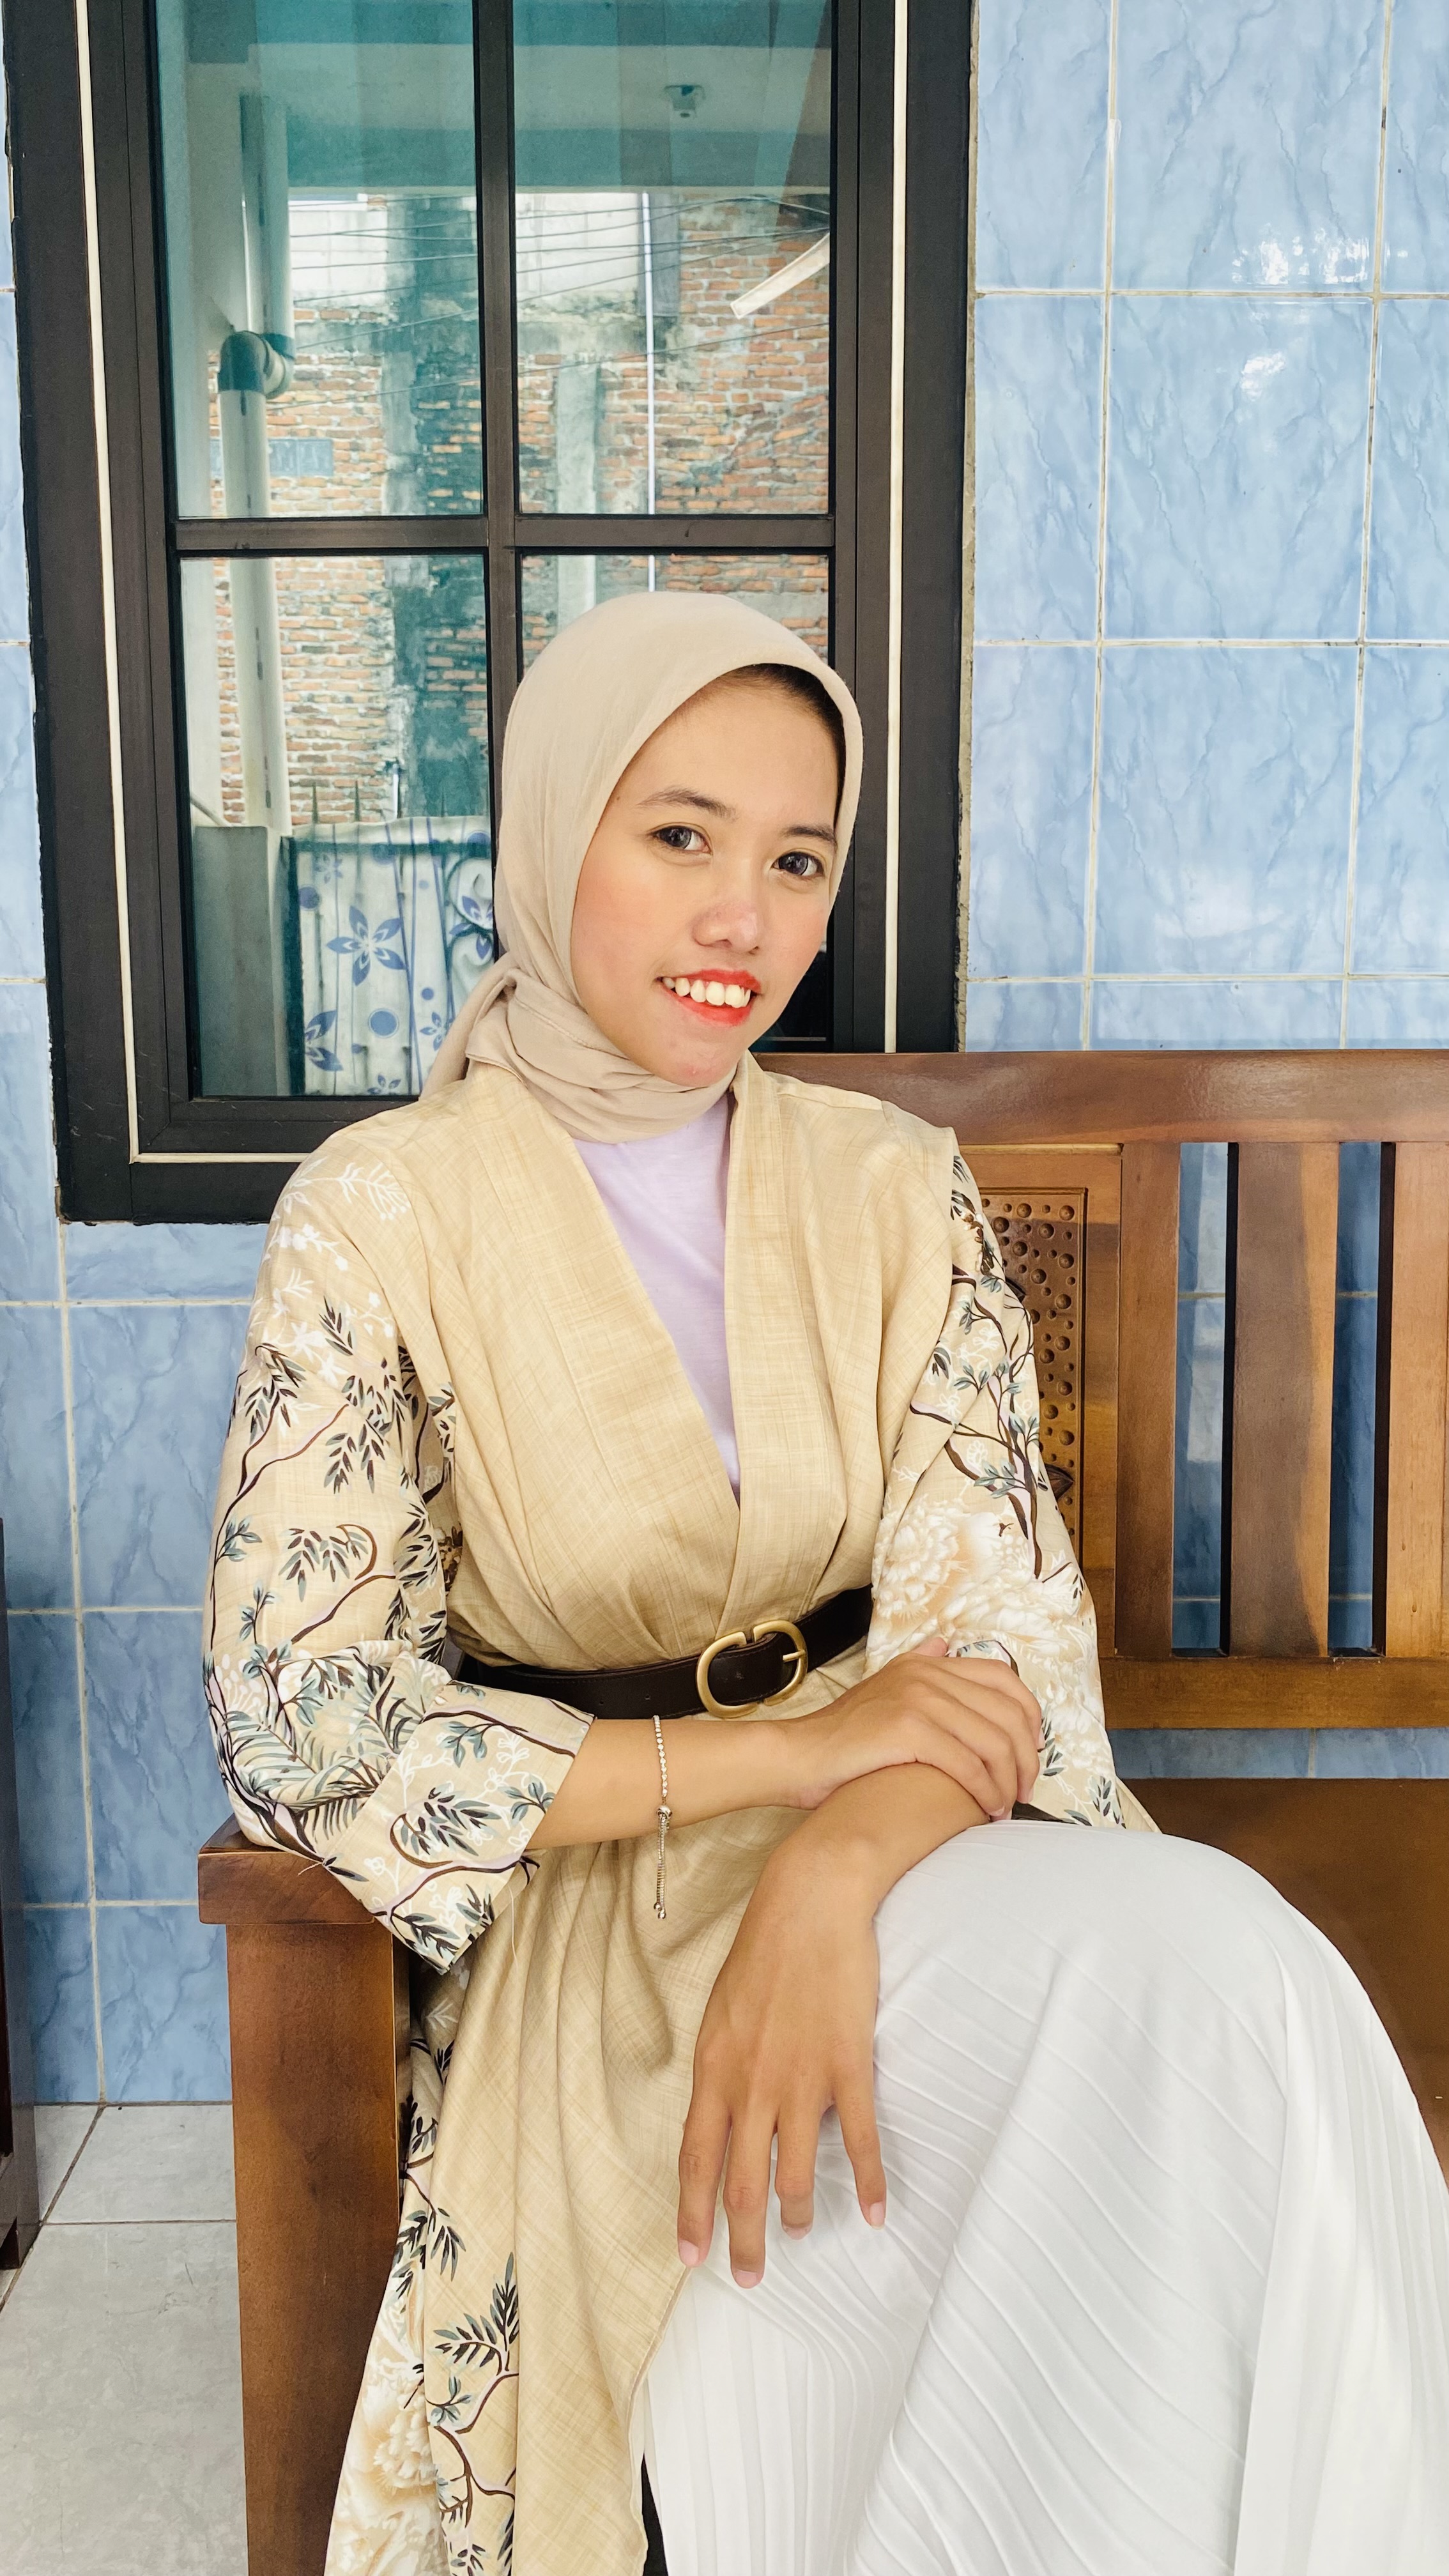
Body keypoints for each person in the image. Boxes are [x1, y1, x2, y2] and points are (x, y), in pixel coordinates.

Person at [206, 592, 1449, 2576]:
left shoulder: (887, 1180)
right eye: (677, 836)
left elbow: (995, 1620)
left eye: (797, 861)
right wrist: (774, 1769)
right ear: (552, 835)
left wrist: (830, 1867)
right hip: (600, 1893)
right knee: (978, 2207)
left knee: (1224, 1984)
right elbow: (303, 1725)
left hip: (913, 1829)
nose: (743, 918)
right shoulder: (381, 1211)